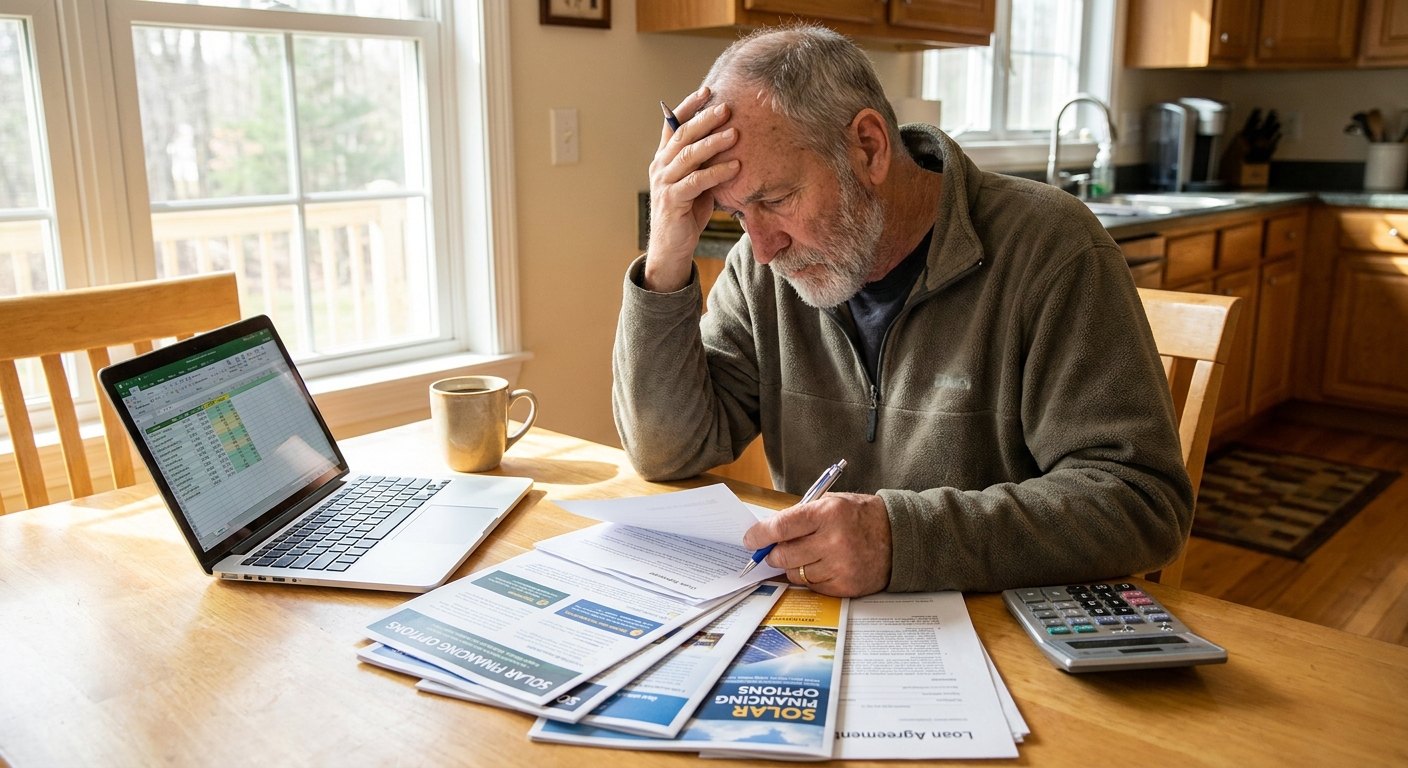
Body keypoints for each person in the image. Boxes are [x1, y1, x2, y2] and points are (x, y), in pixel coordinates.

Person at [613, 24, 1193, 597]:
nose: (763, 249)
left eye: (776, 199)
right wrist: (665, 258)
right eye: (737, 214)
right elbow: (669, 451)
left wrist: (899, 539)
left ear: (868, 147)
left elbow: (1140, 501)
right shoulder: (760, 270)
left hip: (1001, 642)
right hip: (816, 627)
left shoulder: (1050, 248)